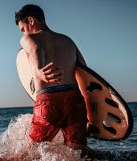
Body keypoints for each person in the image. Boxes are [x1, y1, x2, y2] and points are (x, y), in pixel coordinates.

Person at [15, 4, 91, 153]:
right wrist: (90, 112)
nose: (23, 33)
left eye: (22, 29)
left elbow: (36, 49)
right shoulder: (68, 41)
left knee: (32, 152)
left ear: (31, 21)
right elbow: (85, 72)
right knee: (78, 152)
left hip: (48, 99)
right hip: (75, 100)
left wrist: (39, 70)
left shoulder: (28, 38)